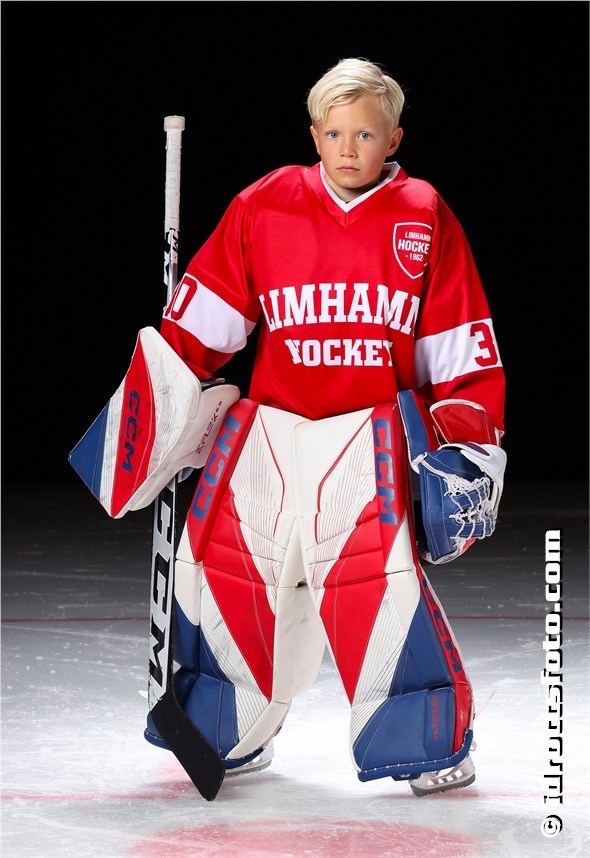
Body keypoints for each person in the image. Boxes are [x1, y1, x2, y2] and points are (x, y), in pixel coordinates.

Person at [144, 57, 507, 796]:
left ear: (393, 137)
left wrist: (468, 442)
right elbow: (207, 315)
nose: (348, 149)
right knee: (230, 578)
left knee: (382, 590)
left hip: (367, 439)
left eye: (365, 134)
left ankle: (422, 742)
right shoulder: (265, 203)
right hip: (270, 435)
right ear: (314, 133)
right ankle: (227, 727)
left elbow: (459, 341)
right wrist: (165, 396)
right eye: (334, 133)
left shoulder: (423, 212)